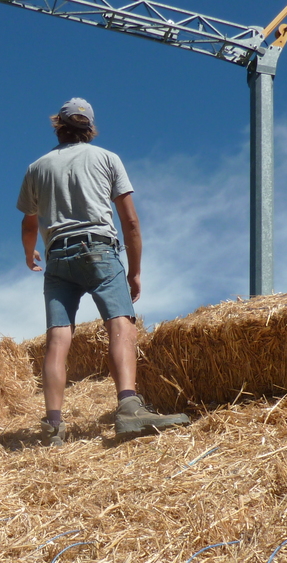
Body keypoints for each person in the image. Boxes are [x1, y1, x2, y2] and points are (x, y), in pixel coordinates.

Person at [17, 97, 191, 445]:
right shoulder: (107, 159)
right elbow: (130, 221)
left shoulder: (38, 167)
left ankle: (53, 425)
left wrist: (29, 254)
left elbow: (29, 222)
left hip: (57, 257)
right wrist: (135, 271)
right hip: (98, 249)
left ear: (59, 125)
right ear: (90, 128)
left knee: (58, 338)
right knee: (120, 324)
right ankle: (128, 407)